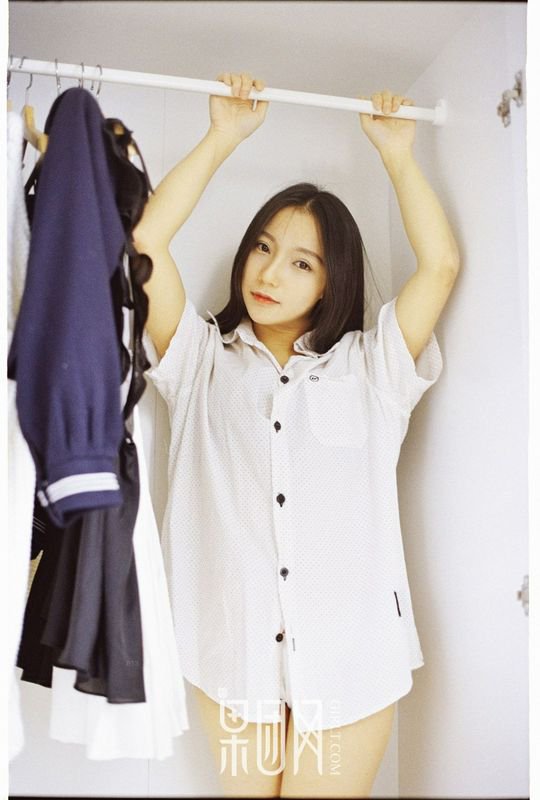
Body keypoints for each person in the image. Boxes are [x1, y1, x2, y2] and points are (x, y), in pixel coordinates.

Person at [133, 73, 460, 798]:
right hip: (233, 651)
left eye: (301, 262)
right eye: (262, 247)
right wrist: (222, 136)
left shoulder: (372, 368)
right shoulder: (198, 362)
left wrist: (399, 156)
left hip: (352, 658)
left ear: (330, 281)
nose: (270, 272)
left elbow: (440, 266)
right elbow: (146, 241)